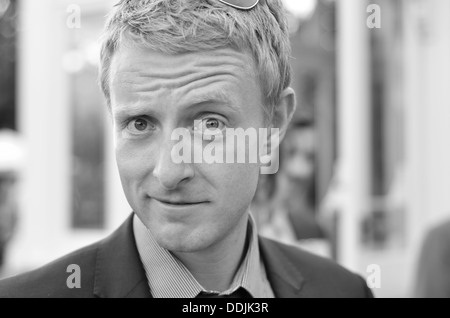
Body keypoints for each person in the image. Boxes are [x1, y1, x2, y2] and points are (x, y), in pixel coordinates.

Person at [0, 0, 373, 298]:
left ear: (273, 125)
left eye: (209, 124)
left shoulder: (343, 291)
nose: (168, 171)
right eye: (140, 123)